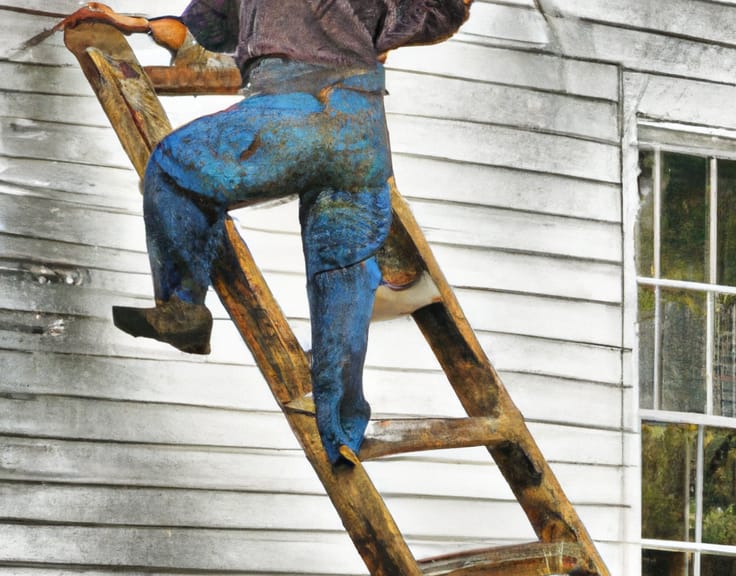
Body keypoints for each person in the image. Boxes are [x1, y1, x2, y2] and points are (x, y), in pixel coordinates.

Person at [63, 0, 472, 466]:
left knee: (174, 166)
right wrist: (134, 24)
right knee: (341, 278)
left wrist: (131, 25)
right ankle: (342, 436)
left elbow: (202, 29)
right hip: (361, 127)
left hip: (294, 114)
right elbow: (437, 15)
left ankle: (182, 309)